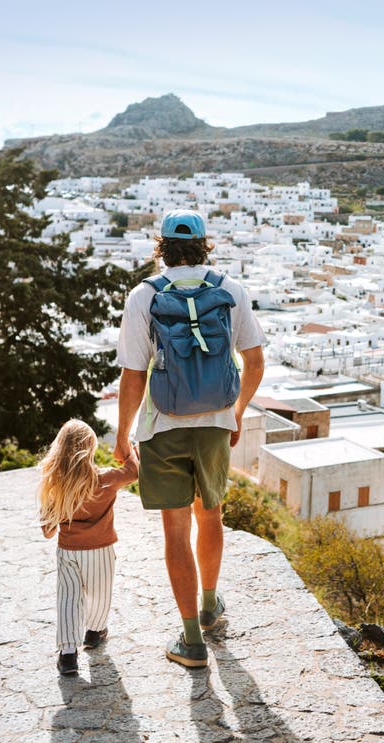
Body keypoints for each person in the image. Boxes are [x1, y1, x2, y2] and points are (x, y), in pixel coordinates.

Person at [114, 209, 266, 668]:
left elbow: (133, 375)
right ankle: (210, 606)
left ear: (161, 246)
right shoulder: (230, 290)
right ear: (205, 244)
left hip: (163, 426)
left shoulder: (144, 296)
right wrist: (235, 413)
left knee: (176, 530)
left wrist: (123, 436)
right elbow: (254, 362)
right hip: (216, 424)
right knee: (211, 514)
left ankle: (190, 642)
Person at [38, 418, 138, 676]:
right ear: (90, 448)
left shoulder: (54, 484)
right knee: (100, 593)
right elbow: (133, 471)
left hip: (68, 550)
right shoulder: (105, 478)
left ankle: (68, 655)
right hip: (100, 550)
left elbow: (48, 531)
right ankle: (94, 632)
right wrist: (126, 446)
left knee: (69, 598)